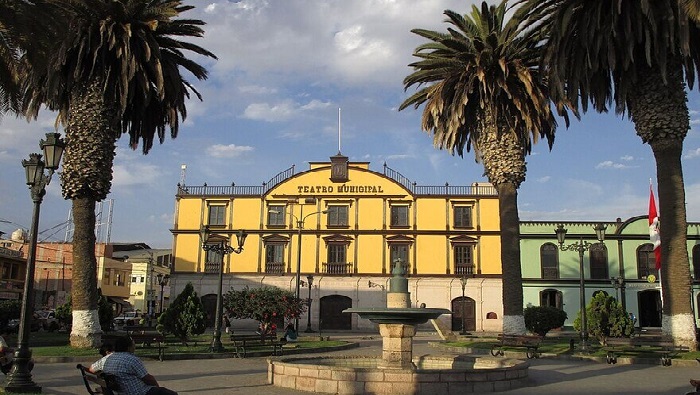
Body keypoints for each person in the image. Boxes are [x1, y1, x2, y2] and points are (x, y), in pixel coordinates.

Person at [95, 335, 177, 395]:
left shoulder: (109, 358)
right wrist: (157, 387)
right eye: (133, 344)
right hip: (138, 392)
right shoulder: (132, 359)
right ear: (128, 347)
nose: (135, 346)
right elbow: (148, 379)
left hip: (120, 392)